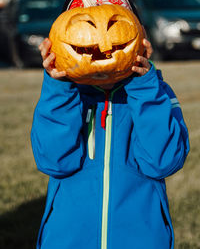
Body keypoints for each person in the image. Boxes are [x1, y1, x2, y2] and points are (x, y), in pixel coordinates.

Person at [31, 34, 189, 249]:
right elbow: (54, 161)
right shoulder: (63, 95)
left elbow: (163, 162)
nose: (101, 41)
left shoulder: (154, 92)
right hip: (67, 239)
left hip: (141, 239)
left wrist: (143, 88)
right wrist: (59, 87)